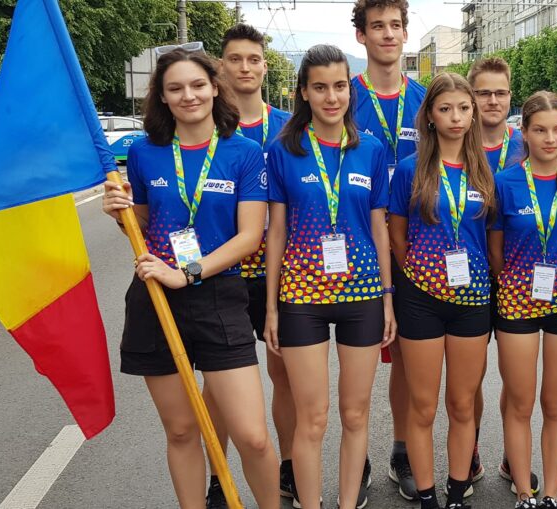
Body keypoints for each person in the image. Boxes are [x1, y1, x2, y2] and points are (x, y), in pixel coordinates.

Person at [101, 47, 281, 509]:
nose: (189, 95)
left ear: (215, 88)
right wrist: (120, 213)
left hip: (218, 297)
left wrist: (188, 272)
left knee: (253, 436)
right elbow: (143, 225)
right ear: (162, 97)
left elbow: (250, 236)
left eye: (198, 85)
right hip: (155, 297)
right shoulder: (144, 153)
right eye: (175, 88)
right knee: (182, 431)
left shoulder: (244, 153)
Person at [264, 44, 395, 509]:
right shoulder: (283, 150)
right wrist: (272, 307)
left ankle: (347, 503)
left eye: (340, 86)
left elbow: (379, 227)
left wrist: (387, 298)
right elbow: (276, 232)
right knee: (313, 418)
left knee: (355, 414)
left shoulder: (371, 150)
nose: (332, 97)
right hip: (302, 296)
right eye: (320, 87)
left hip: (362, 294)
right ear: (304, 92)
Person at [387, 72, 495, 509]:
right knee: (423, 406)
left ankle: (456, 492)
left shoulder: (485, 169)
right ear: (430, 115)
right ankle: (428, 496)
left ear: (473, 114)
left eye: (463, 108)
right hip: (422, 301)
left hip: (472, 301)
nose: (456, 117)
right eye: (445, 109)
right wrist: (419, 276)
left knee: (462, 404)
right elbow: (397, 235)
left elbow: (491, 236)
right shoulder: (410, 169)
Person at [198, 24, 293, 509]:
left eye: (254, 59)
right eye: (235, 59)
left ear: (264, 66)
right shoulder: (206, 126)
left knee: (285, 376)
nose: (245, 67)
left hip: (282, 272)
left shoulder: (290, 127)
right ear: (221, 66)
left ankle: (288, 468)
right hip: (224, 274)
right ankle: (219, 475)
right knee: (218, 387)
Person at [491, 91, 557, 509]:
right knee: (520, 402)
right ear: (524, 133)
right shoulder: (505, 182)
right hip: (518, 303)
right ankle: (524, 491)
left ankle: (550, 492)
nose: (550, 139)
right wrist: (515, 283)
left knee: (556, 402)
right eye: (540, 130)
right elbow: (495, 248)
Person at [350, 1, 428, 499]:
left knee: (405, 356)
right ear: (361, 36)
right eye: (376, 26)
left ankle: (402, 449)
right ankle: (354, 458)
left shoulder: (425, 98)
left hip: (414, 245)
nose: (387, 34)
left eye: (395, 25)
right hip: (358, 244)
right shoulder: (342, 96)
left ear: (405, 33)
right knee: (353, 356)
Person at [465, 55, 537, 497]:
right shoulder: (458, 142)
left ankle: (515, 456)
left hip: (519, 279)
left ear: (511, 97)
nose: (492, 100)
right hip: (469, 276)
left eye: (501, 93)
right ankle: (469, 450)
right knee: (470, 377)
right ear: (471, 97)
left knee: (516, 377)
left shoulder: (524, 144)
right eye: (483, 93)